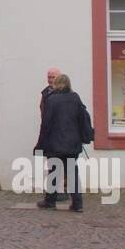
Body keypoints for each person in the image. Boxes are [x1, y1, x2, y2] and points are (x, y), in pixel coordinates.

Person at [34, 73, 92, 212]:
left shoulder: (51, 99)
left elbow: (46, 124)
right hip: (72, 143)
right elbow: (83, 118)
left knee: (54, 173)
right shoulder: (75, 97)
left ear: (56, 83)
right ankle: (77, 204)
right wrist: (85, 137)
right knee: (72, 173)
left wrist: (40, 144)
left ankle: (50, 202)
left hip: (55, 143)